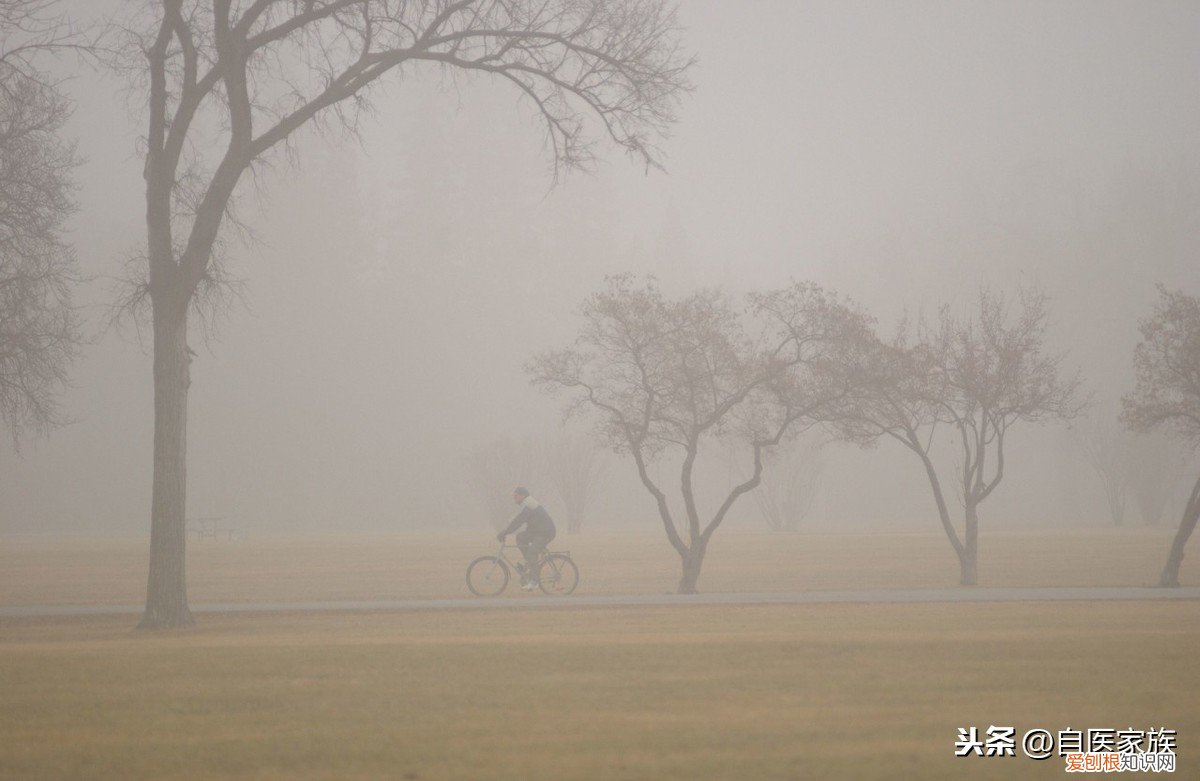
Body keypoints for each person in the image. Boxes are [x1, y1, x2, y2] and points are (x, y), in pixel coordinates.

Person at [497, 486, 557, 591]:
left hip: (546, 532)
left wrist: (505, 532)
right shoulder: (528, 503)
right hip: (538, 531)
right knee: (520, 537)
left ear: (522, 495)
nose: (514, 498)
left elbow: (519, 520)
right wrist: (506, 532)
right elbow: (519, 520)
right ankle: (529, 563)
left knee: (532, 553)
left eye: (516, 496)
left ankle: (534, 581)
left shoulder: (530, 504)